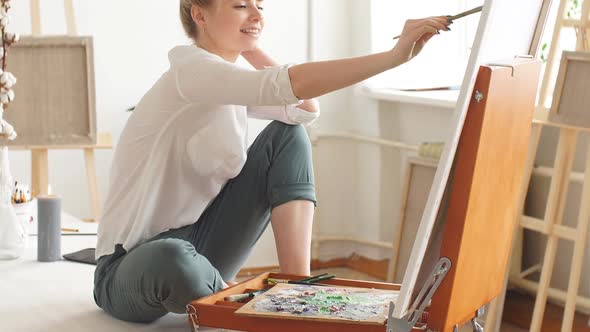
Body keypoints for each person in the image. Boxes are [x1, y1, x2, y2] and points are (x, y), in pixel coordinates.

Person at [93, 0, 451, 323]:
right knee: (172, 258)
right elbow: (289, 84)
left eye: (260, 6)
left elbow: (305, 110)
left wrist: (250, 44)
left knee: (287, 134)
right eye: (239, 5)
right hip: (130, 268)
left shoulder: (226, 81)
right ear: (199, 14)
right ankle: (248, 308)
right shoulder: (191, 72)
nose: (257, 14)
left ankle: (300, 290)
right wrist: (392, 57)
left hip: (201, 243)